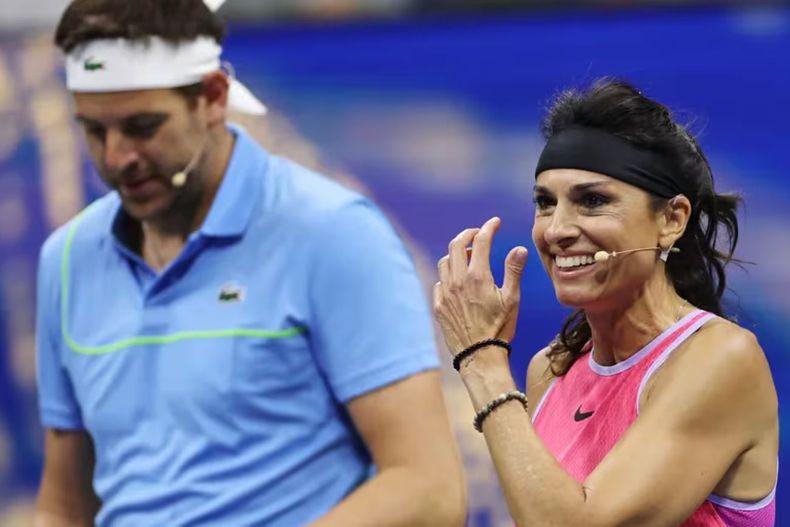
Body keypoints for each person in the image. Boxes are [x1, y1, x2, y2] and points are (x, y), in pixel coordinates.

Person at [34, 1, 466, 525]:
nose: (118, 157)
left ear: (213, 97)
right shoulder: (66, 259)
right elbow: (64, 505)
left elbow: (428, 489)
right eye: (95, 131)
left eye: (143, 126)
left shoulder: (334, 234)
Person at [433, 79, 778, 526]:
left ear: (671, 220)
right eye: (545, 202)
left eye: (592, 201)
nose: (556, 230)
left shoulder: (722, 359)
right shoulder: (550, 369)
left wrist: (482, 361)